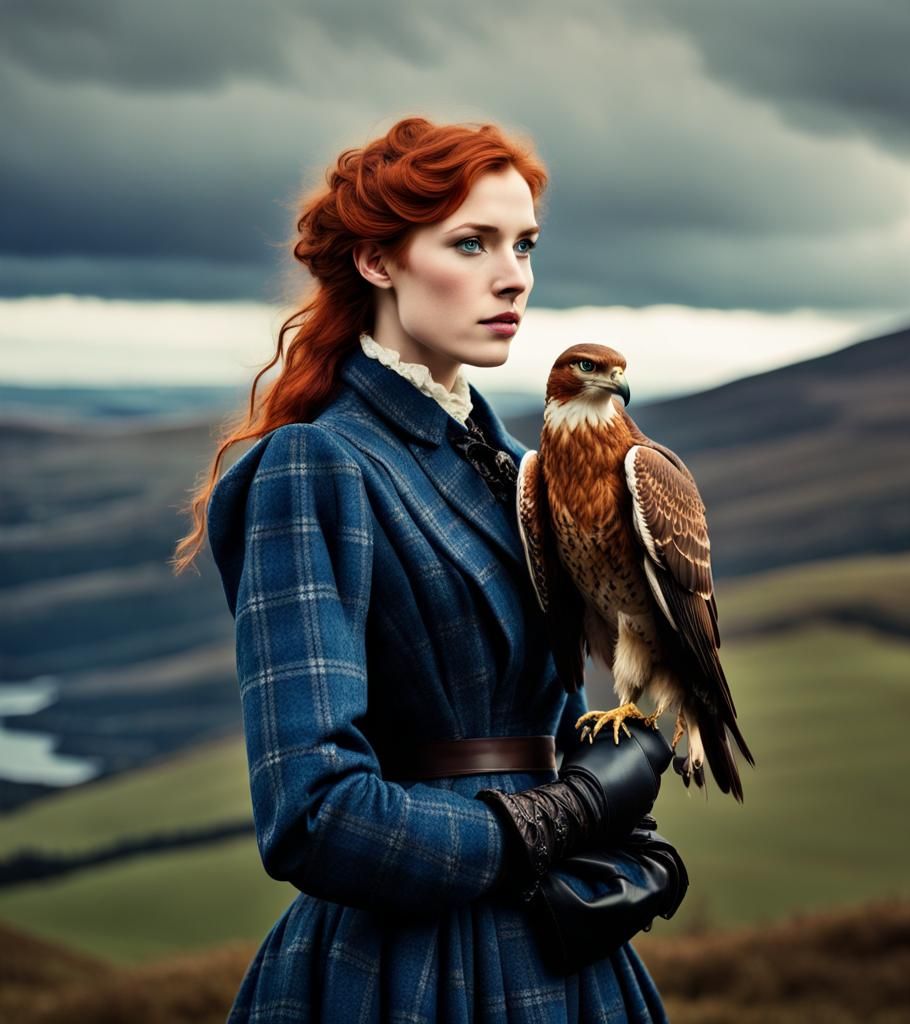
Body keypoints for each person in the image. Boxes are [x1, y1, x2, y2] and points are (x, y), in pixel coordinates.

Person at [173, 116, 680, 1022]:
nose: (513, 274)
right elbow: (314, 814)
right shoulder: (314, 467)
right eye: (472, 242)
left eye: (524, 244)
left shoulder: (522, 469)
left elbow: (547, 718)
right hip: (405, 971)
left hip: (566, 959)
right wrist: (556, 817)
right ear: (377, 261)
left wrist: (617, 776)